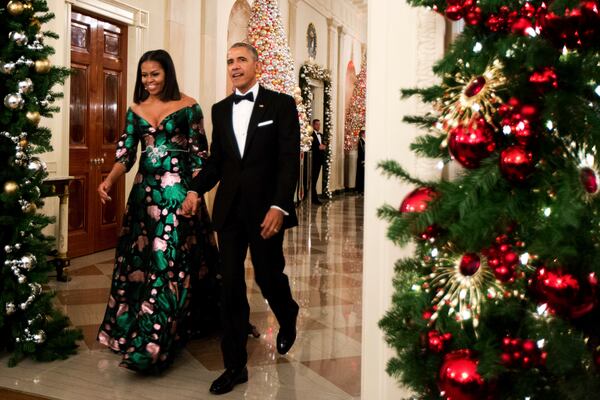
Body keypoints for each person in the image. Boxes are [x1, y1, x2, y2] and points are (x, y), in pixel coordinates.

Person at [182, 42, 300, 395]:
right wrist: (194, 189)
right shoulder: (220, 110)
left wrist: (279, 206)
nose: (234, 66)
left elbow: (288, 159)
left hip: (266, 211)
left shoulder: (281, 104)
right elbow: (218, 161)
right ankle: (235, 366)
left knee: (267, 276)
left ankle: (288, 312)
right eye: (230, 61)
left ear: (256, 65)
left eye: (241, 60)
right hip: (230, 212)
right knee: (230, 285)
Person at [96, 49, 216, 373]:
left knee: (168, 262)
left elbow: (201, 155)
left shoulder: (189, 107)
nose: (149, 81)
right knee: (142, 261)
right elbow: (126, 153)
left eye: (155, 74)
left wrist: (194, 193)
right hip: (143, 197)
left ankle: (153, 343)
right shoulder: (135, 109)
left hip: (178, 196)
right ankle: (135, 328)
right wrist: (108, 181)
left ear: (168, 74)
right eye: (144, 75)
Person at [310, 119, 326, 204]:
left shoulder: (321, 135)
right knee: (313, 180)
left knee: (315, 180)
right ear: (313, 125)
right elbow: (310, 147)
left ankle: (314, 198)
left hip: (319, 161)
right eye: (317, 124)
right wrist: (318, 148)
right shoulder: (311, 134)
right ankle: (314, 199)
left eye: (319, 125)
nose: (318, 126)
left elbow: (322, 145)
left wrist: (324, 147)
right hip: (313, 161)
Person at [356, 128, 365, 194]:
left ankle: (362, 189)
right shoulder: (360, 141)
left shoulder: (363, 140)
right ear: (362, 133)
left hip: (364, 159)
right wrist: (363, 160)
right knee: (361, 175)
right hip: (362, 160)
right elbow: (361, 151)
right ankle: (360, 189)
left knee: (363, 175)